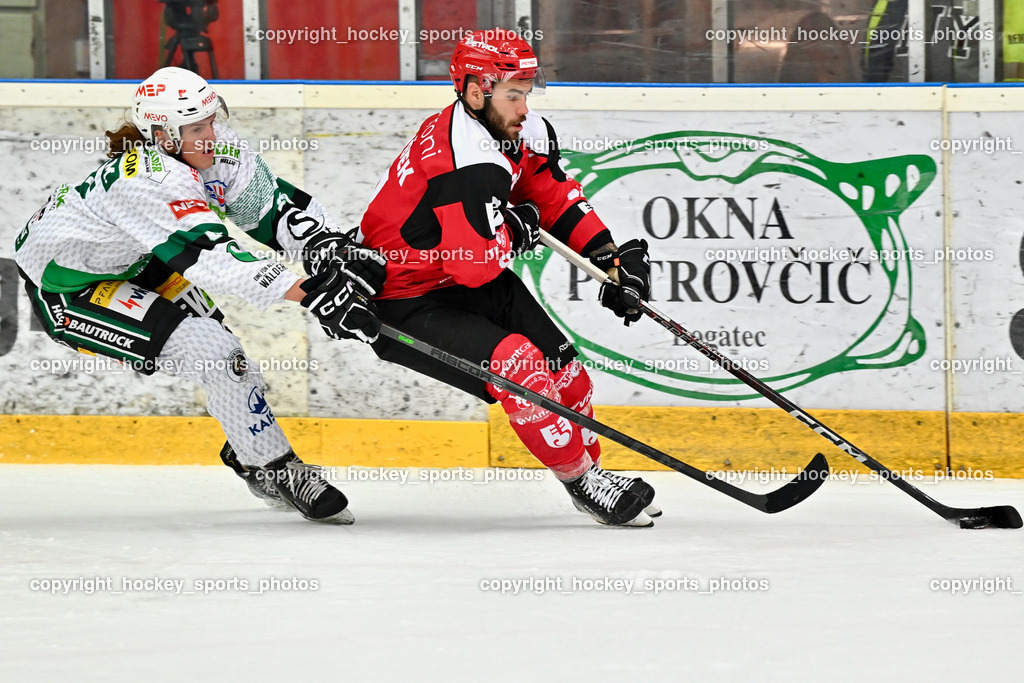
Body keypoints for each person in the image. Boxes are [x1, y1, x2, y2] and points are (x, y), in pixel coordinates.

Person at [13, 67, 385, 524]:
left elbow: (265, 207)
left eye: (212, 119)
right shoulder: (144, 181)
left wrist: (321, 244)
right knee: (216, 351)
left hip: (142, 261)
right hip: (72, 291)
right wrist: (312, 294)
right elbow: (210, 254)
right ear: (163, 137)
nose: (212, 135)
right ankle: (276, 469)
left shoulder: (214, 146)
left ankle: (247, 443)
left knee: (232, 367)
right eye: (196, 128)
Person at [358, 29, 659, 527]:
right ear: (475, 91)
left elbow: (552, 194)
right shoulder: (463, 161)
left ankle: (595, 477)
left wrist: (609, 259)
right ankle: (581, 482)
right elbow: (473, 263)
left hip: (458, 277)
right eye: (512, 94)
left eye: (527, 91)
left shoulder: (515, 129)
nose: (523, 106)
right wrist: (516, 232)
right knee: (519, 367)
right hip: (404, 297)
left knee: (568, 373)